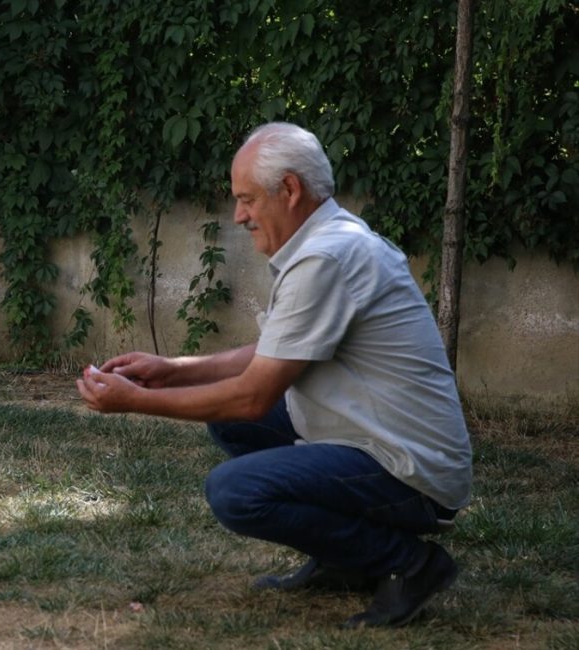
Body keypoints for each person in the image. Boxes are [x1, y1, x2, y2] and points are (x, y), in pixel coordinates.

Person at [76, 122, 472, 628]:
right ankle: (344, 557)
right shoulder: (330, 240)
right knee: (230, 425)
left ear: (289, 189)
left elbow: (253, 397)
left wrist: (134, 400)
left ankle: (408, 564)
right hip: (380, 440)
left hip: (412, 472)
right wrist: (172, 370)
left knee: (236, 491)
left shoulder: (327, 255)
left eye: (246, 199)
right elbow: (275, 350)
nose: (239, 215)